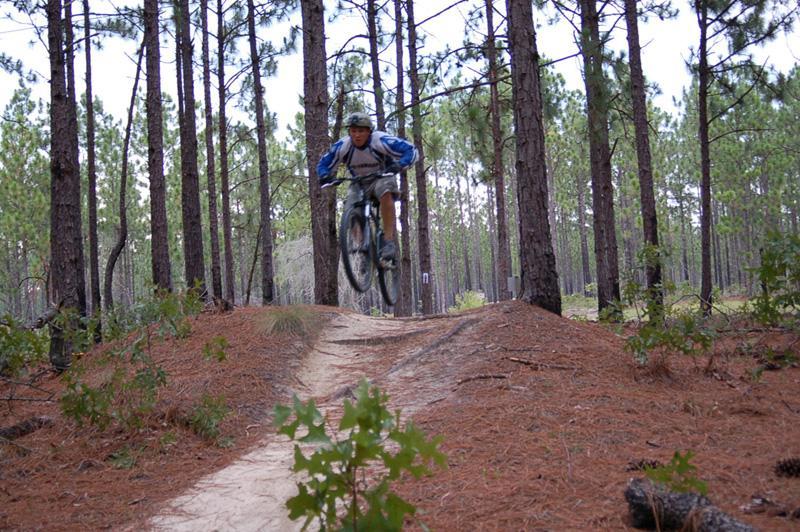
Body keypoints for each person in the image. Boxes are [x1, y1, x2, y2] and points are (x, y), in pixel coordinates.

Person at [317, 112, 418, 263]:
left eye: (361, 131)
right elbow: (324, 163)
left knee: (385, 192)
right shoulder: (343, 146)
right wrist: (325, 176)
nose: (357, 135)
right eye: (353, 131)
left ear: (369, 131)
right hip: (359, 182)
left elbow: (411, 150)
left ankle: (388, 240)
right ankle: (362, 248)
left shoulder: (380, 140)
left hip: (381, 176)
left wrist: (399, 164)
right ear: (349, 132)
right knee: (350, 209)